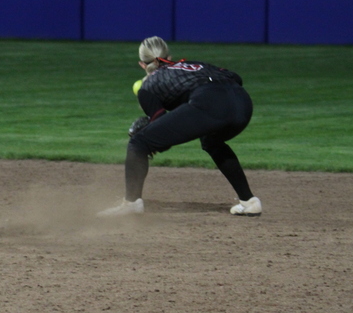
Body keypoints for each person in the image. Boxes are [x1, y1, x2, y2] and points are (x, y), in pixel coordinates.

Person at [98, 36, 262, 217]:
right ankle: (249, 202)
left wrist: (147, 135)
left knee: (138, 143)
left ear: (142, 64)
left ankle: (131, 203)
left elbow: (160, 128)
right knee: (211, 140)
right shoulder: (194, 65)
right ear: (169, 56)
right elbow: (235, 77)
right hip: (243, 104)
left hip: (210, 104)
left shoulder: (148, 87)